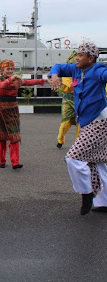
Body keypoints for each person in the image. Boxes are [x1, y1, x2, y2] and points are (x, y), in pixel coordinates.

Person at [49, 42, 107, 215]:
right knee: (101, 161)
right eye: (77, 54)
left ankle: (86, 192)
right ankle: (103, 201)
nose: (77, 58)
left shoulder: (98, 71)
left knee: (73, 158)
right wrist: (54, 76)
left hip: (100, 121)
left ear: (91, 58)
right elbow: (58, 66)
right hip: (87, 121)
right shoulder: (75, 69)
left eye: (81, 55)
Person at [0, 59, 47, 169]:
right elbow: (2, 85)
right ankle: (2, 161)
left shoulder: (16, 81)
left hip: (12, 108)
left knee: (14, 134)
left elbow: (28, 82)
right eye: (8, 69)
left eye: (12, 69)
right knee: (1, 136)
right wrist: (13, 77)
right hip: (0, 109)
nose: (10, 71)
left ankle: (15, 162)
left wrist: (43, 80)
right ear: (1, 70)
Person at [56, 51, 80, 148]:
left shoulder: (82, 74)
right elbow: (70, 85)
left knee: (80, 123)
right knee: (65, 123)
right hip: (67, 99)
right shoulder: (66, 75)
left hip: (79, 99)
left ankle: (78, 143)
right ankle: (60, 139)